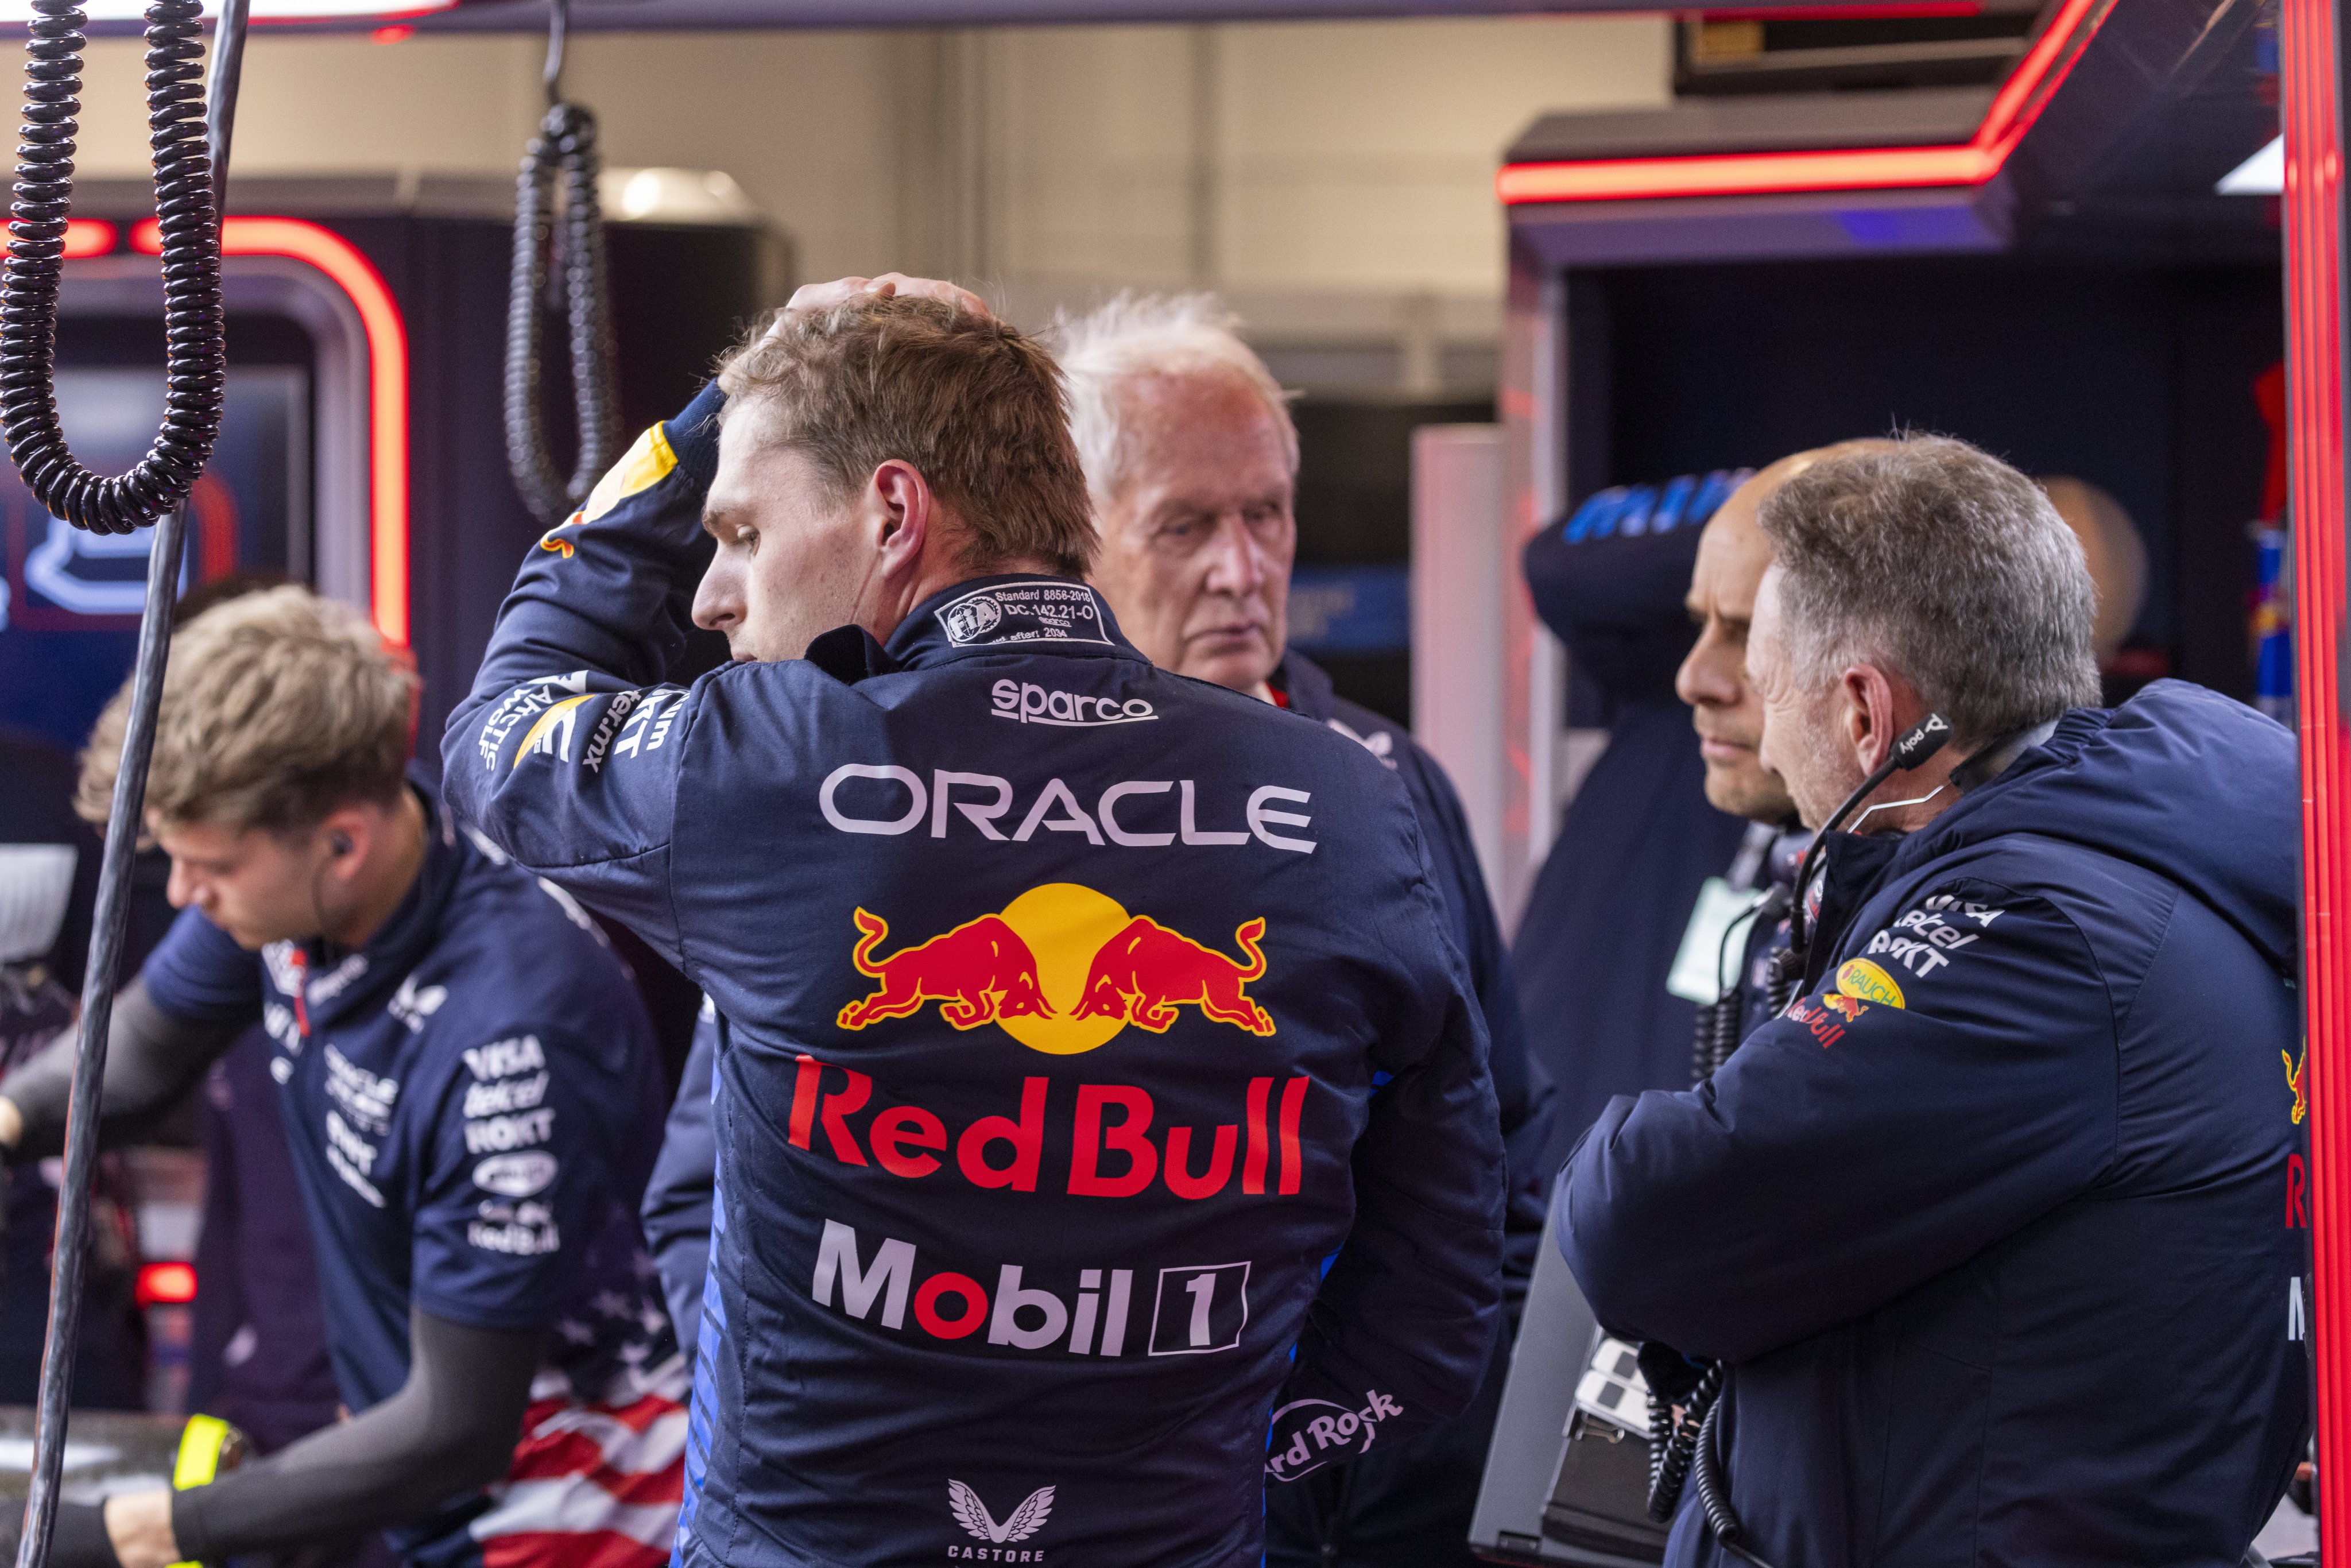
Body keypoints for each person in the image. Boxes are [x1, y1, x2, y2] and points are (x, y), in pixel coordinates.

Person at [442, 274, 1505, 1567]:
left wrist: (706, 413)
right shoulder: (1341, 792)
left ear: (891, 512)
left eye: (738, 529)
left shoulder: (762, 769)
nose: (715, 595)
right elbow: (1440, 1287)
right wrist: (1240, 1473)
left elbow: (499, 727)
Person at [1559, 436, 2306, 1566]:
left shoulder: (2036, 932)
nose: (1711, 685)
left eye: (1760, 672)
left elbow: (1640, 1214)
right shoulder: (2075, 874)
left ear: (1866, 713)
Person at [0, 586, 682, 1568]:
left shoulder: (513, 1036)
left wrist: (131, 1535)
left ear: (343, 843)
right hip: (417, 1473)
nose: (185, 895)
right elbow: (144, 1045)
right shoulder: (306, 885)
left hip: (552, 1514)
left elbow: (457, 1426)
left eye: (210, 869)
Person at [1049, 291, 1551, 1567]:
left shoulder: (1383, 788)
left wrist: (1369, 1455)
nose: (1242, 567)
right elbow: (719, 1183)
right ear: (1069, 540)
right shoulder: (962, 802)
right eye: (1183, 525)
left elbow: (1503, 1167)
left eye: (1263, 513)